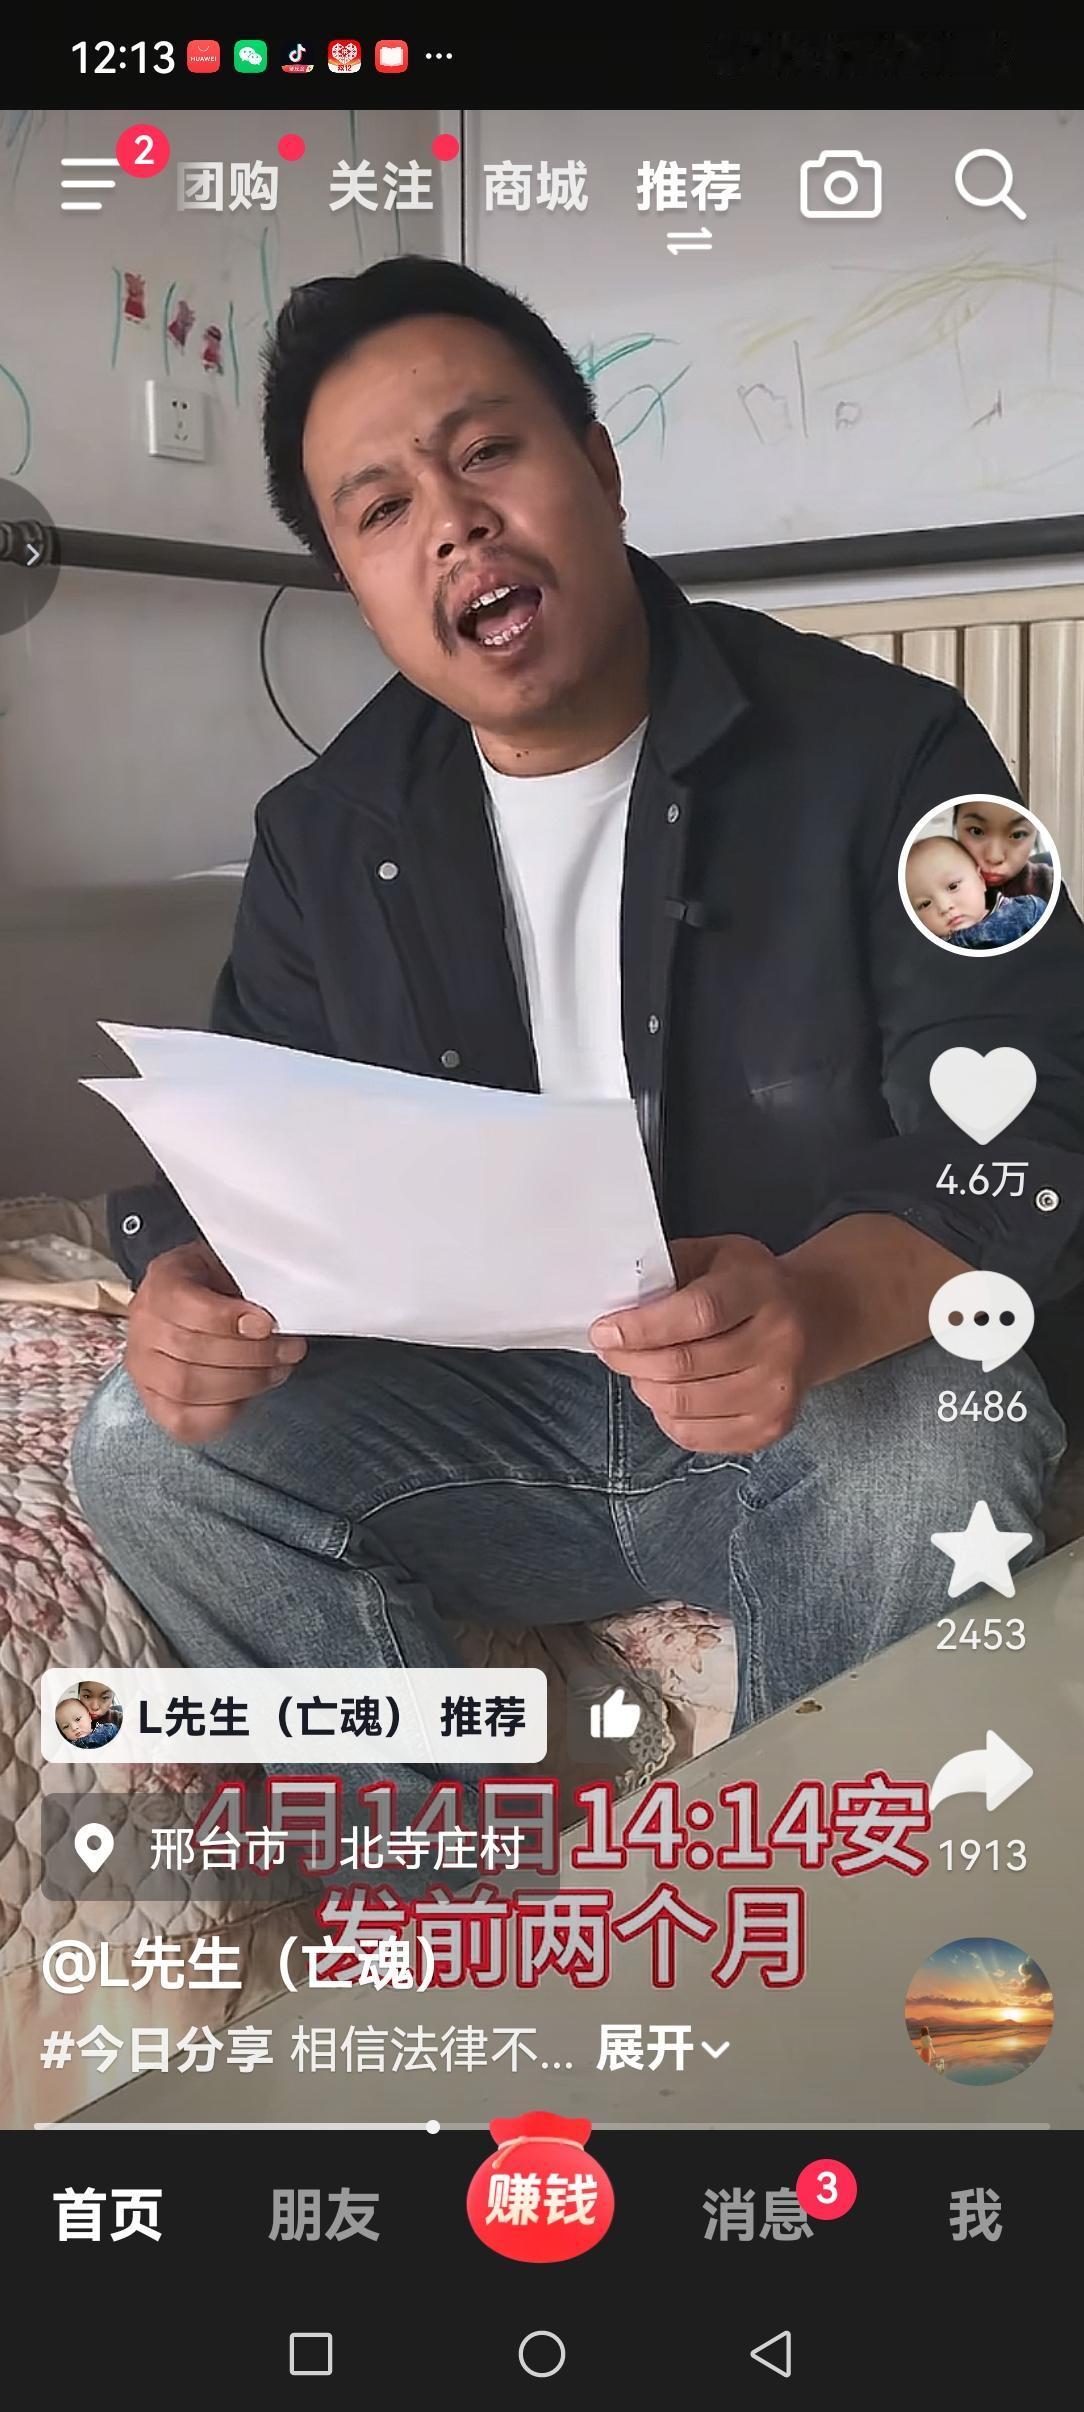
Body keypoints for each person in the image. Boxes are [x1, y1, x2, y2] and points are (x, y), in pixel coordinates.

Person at [70, 255, 1084, 1853]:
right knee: (145, 1451)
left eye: (487, 451)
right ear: (355, 584)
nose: (452, 524)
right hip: (493, 1431)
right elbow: (256, 1137)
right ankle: (457, 1896)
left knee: (936, 1441)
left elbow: (1031, 1113)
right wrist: (191, 1287)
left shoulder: (903, 750)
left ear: (600, 468)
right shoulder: (324, 834)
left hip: (817, 1412)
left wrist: (818, 1307)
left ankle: (796, 1923)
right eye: (382, 509)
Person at [905, 834, 1046, 947]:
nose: (944, 907)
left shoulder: (1024, 912)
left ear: (981, 879)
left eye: (953, 886)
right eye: (925, 904)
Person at [952, 798, 1054, 903]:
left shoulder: (1051, 885)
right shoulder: (942, 883)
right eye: (976, 831)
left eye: (1017, 835)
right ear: (956, 826)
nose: (994, 858)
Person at [56, 1699, 120, 1749]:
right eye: (66, 1726)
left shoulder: (107, 1730)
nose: (74, 1728)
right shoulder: (67, 1748)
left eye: (78, 1719)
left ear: (89, 1717)